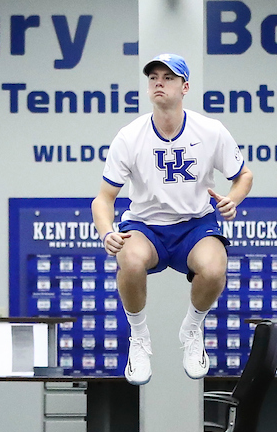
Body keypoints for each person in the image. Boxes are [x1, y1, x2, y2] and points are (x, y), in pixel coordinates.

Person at [91, 53, 253, 385]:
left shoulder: (210, 130)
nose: (158, 83)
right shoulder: (130, 136)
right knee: (130, 259)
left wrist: (232, 200)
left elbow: (244, 175)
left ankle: (193, 329)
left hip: (195, 223)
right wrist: (106, 231)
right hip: (146, 225)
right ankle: (138, 337)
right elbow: (104, 198)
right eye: (153, 78)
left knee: (214, 268)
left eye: (168, 77)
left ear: (185, 86)